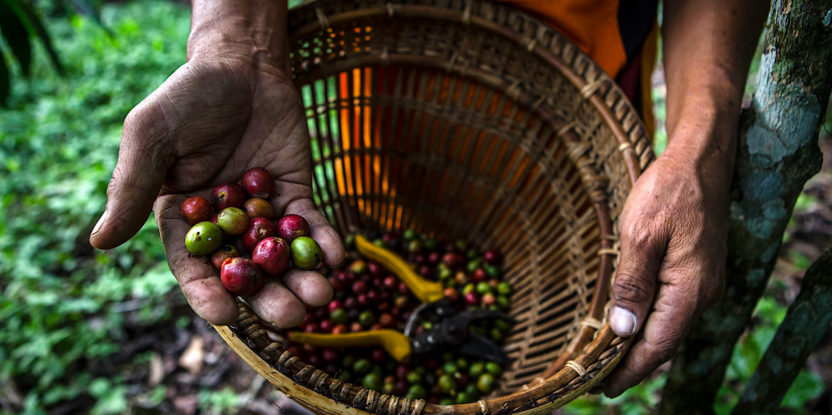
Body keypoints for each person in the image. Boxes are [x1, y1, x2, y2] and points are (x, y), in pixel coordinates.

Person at [89, 0, 767, 398]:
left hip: (565, 93)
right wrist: (236, 46)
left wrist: (703, 141)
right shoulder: (292, 178)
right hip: (369, 100)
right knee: (346, 247)